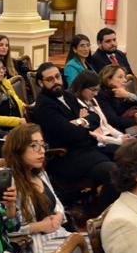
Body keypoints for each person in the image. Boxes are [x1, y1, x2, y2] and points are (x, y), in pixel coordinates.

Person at [32, 62, 117, 207]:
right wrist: (84, 122)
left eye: (57, 76)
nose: (56, 82)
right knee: (113, 173)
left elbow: (94, 118)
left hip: (87, 149)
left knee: (130, 156)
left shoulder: (67, 95)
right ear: (40, 83)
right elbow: (69, 134)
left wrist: (79, 121)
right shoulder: (44, 105)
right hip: (67, 157)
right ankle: (96, 214)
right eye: (50, 79)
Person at [0, 124, 71, 253]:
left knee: (94, 250)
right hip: (33, 245)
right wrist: (39, 226)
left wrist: (59, 217)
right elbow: (5, 228)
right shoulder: (6, 179)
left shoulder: (40, 173)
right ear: (18, 149)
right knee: (88, 246)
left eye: (43, 145)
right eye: (34, 145)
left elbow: (58, 205)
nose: (42, 151)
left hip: (58, 234)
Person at [69, 71, 128, 147]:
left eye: (97, 90)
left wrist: (120, 136)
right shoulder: (74, 103)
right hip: (97, 143)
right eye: (93, 90)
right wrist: (118, 141)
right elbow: (91, 134)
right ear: (81, 87)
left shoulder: (93, 99)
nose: (96, 94)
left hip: (108, 138)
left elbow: (105, 124)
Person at [97, 65, 137, 131]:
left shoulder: (123, 90)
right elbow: (114, 121)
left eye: (124, 77)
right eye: (120, 77)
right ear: (108, 80)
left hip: (132, 123)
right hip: (119, 131)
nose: (125, 80)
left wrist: (129, 95)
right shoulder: (101, 95)